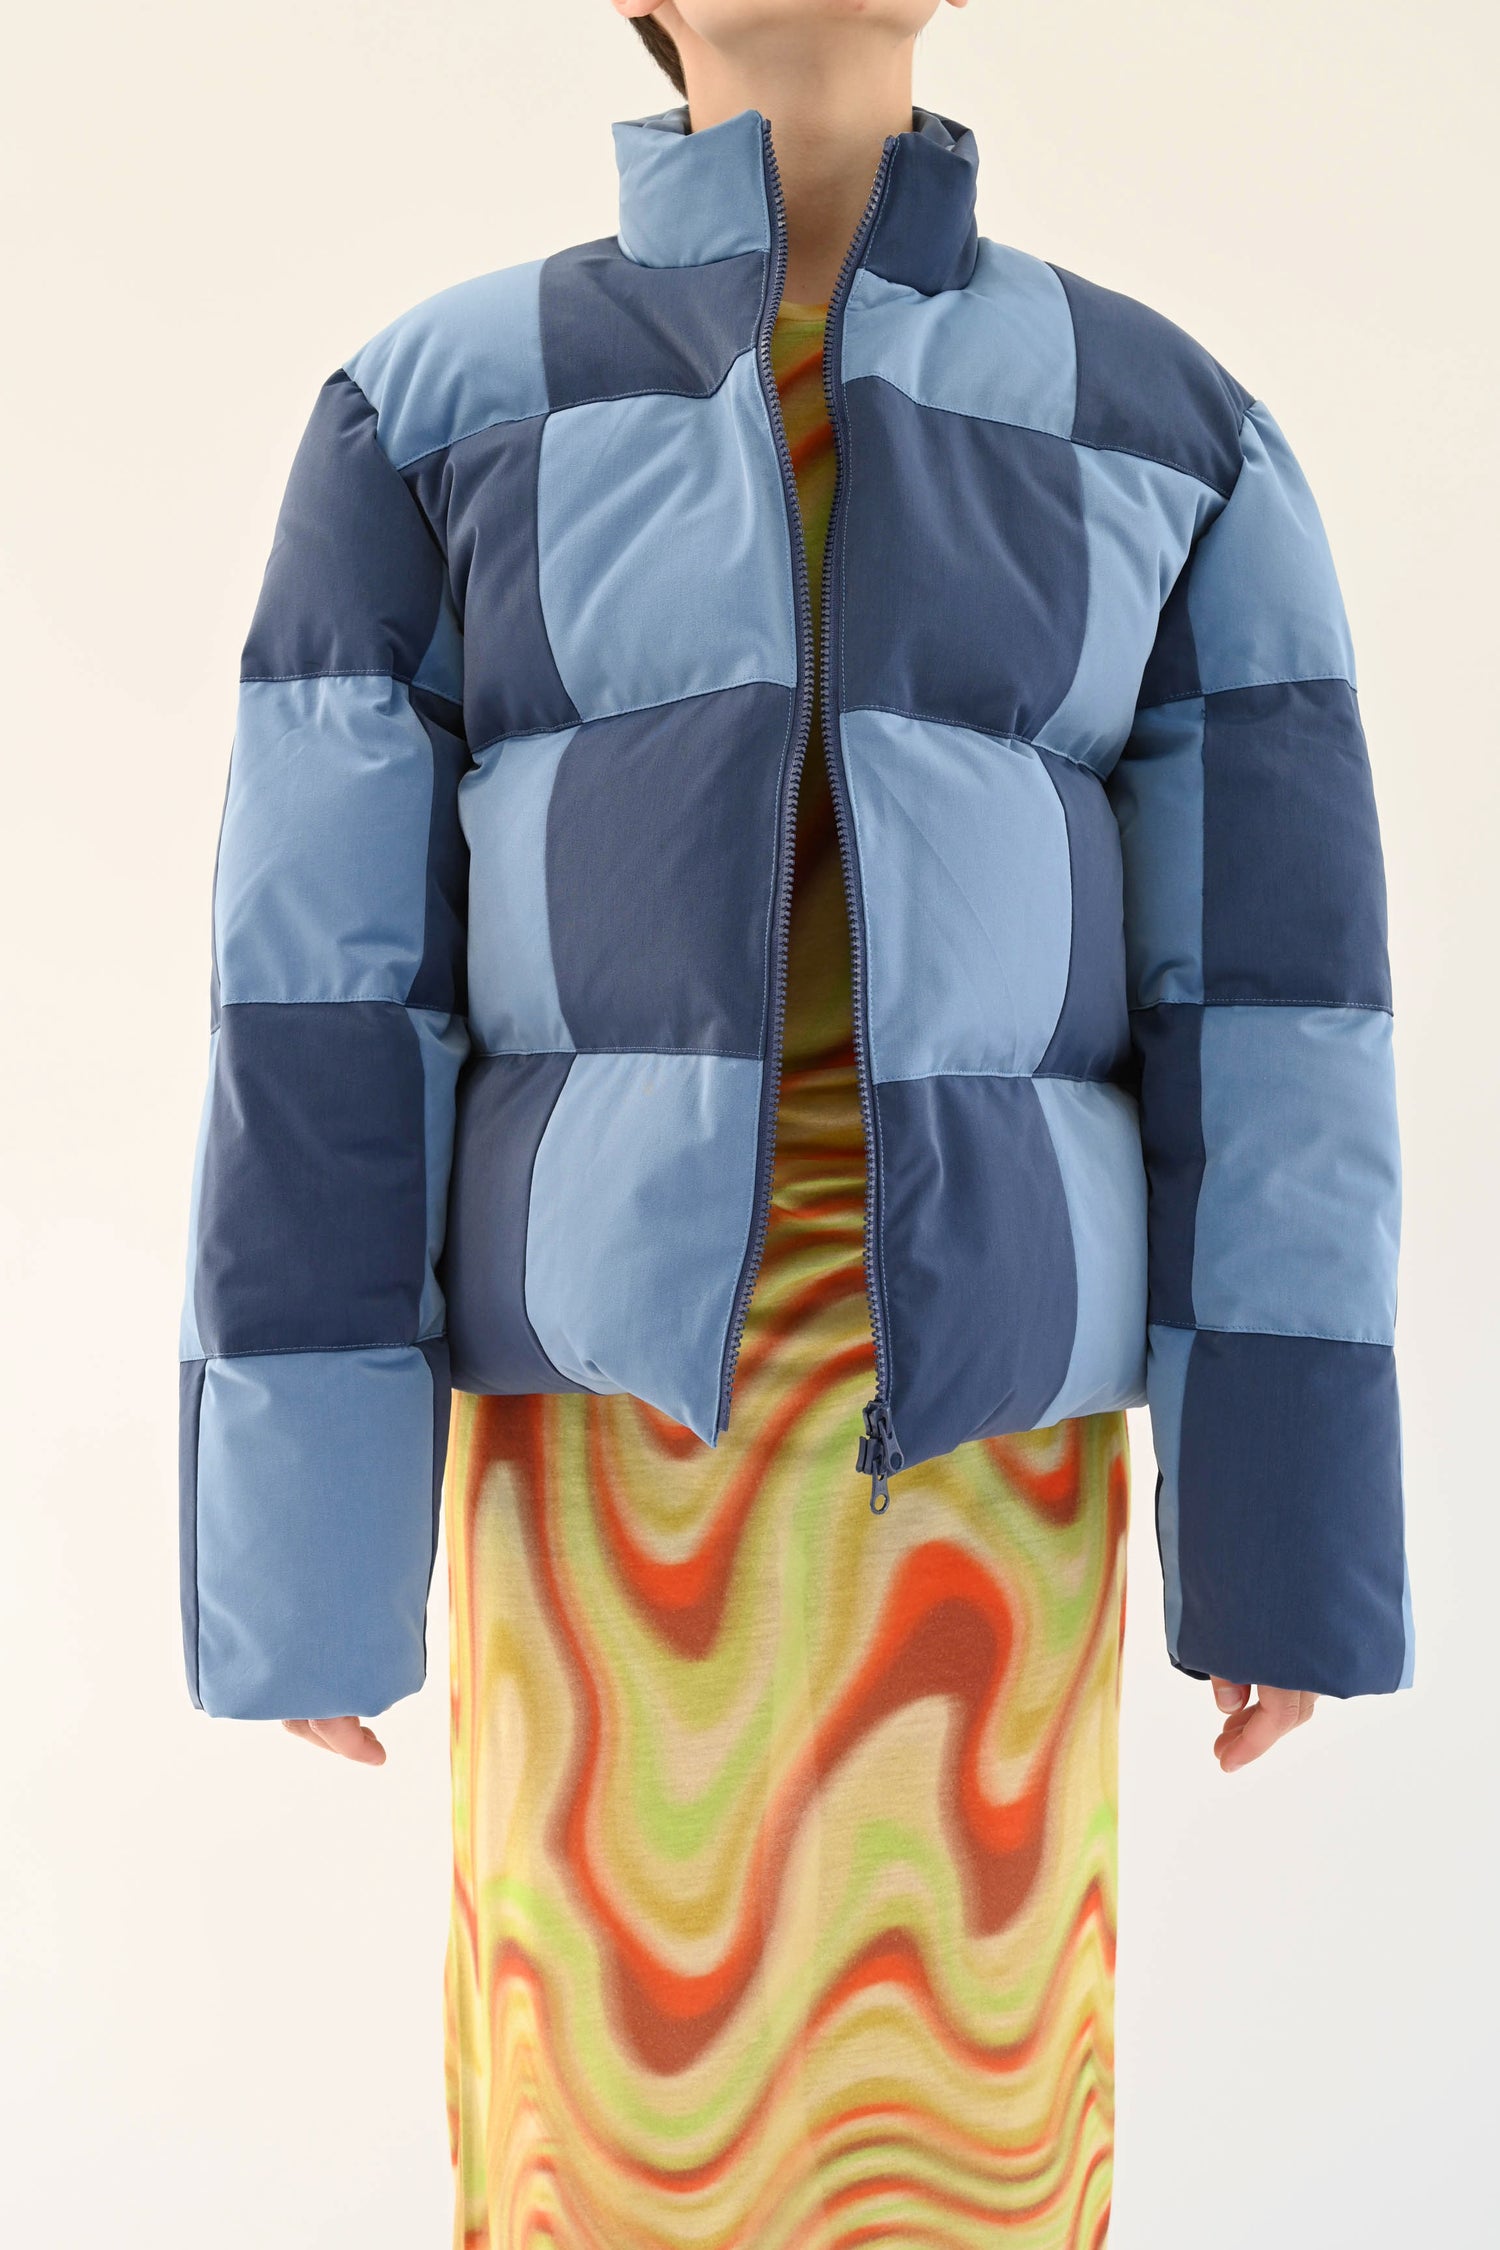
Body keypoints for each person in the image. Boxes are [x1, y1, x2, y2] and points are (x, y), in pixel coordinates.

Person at [175, 1, 1411, 2237]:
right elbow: (322, 1018)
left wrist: (1281, 1522)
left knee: (976, 2125)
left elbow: (1282, 1016)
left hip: (981, 1471)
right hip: (597, 1467)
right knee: (601, 2123)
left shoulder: (1173, 432)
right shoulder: (431, 413)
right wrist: (306, 1550)